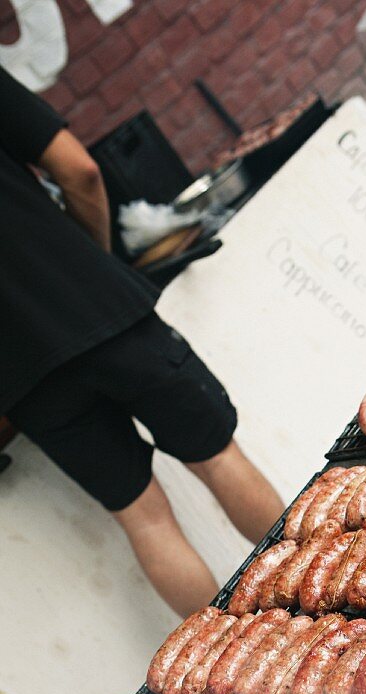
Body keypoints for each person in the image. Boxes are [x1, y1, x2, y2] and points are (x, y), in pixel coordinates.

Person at [0, 66, 284, 617]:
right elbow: (78, 169)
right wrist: (95, 262)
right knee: (217, 456)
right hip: (97, 305)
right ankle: (326, 604)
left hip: (24, 379)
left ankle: (234, 668)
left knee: (144, 517)